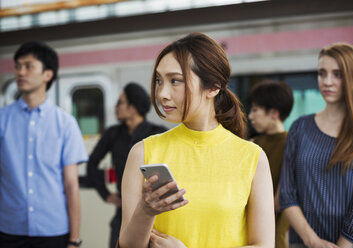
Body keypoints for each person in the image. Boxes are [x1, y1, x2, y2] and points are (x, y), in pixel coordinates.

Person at [117, 32, 275, 248]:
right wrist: (146, 211)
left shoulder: (252, 158)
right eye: (158, 81)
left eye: (175, 81)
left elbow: (264, 245)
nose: (162, 93)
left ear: (213, 87)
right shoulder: (142, 152)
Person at [279, 42, 353, 248]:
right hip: (303, 242)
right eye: (322, 73)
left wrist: (341, 246)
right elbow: (287, 193)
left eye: (337, 74)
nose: (327, 82)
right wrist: (312, 241)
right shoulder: (300, 127)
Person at [0, 41, 88, 248]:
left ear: (48, 75)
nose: (20, 72)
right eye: (17, 66)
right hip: (8, 230)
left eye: (28, 66)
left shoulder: (65, 123)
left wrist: (74, 240)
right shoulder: (2, 120)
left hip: (53, 231)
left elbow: (71, 185)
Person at [87, 82, 167, 248]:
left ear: (133, 107)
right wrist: (105, 194)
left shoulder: (158, 133)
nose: (115, 107)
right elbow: (92, 164)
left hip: (154, 211)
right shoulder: (113, 134)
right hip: (122, 211)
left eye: (120, 103)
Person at [247, 80, 294, 248]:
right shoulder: (252, 143)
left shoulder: (292, 143)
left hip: (274, 236)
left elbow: (280, 201)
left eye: (255, 110)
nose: (250, 116)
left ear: (274, 113)